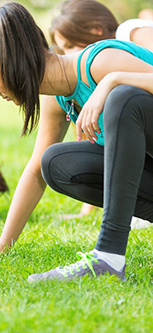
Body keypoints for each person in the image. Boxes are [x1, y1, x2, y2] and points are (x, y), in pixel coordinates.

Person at [0, 2, 153, 282]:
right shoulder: (58, 98)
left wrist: (111, 81)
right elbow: (35, 172)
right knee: (55, 163)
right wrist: (0, 248)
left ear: (13, 63)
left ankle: (109, 256)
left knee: (123, 97)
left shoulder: (100, 61)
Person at [49, 0, 153, 228]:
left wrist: (113, 78)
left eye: (69, 45)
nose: (67, 55)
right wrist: (87, 209)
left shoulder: (130, 32)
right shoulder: (83, 85)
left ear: (95, 31)